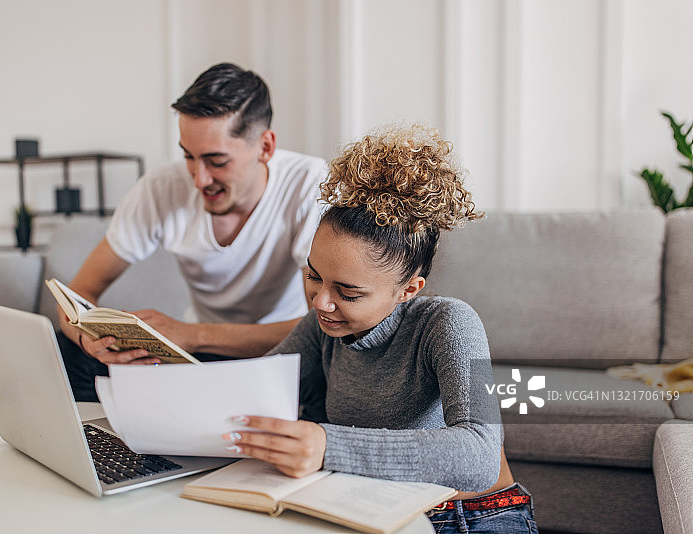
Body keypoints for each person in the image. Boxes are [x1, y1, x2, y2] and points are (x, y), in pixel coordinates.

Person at [221, 124, 537, 533]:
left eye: (348, 293)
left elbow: (479, 456)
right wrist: (157, 366)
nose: (320, 302)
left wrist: (327, 446)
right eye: (314, 277)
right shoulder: (322, 328)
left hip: (472, 516)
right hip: (369, 508)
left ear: (408, 290)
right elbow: (251, 388)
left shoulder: (450, 323)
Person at [58, 63, 326, 401]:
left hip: (282, 351)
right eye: (189, 156)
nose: (199, 179)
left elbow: (320, 327)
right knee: (64, 350)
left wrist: (193, 334)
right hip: (199, 356)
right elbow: (79, 294)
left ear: (265, 147)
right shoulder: (162, 186)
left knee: (325, 367)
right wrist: (90, 342)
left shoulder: (309, 183)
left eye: (217, 161)